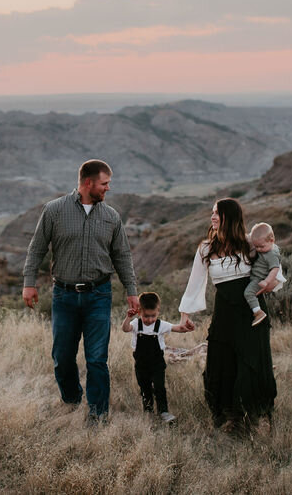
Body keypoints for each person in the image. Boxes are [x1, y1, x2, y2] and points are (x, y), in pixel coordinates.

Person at [22, 159, 139, 422]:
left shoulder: (111, 217)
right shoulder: (54, 211)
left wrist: (131, 290)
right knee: (62, 357)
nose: (108, 188)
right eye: (104, 183)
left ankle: (98, 413)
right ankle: (72, 399)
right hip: (63, 296)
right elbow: (37, 248)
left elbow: (122, 256)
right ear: (88, 183)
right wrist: (29, 282)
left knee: (97, 358)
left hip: (99, 295)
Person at [178, 198, 281, 434]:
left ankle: (248, 418)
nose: (213, 217)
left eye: (218, 213)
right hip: (224, 313)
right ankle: (227, 415)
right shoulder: (206, 248)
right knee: (220, 363)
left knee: (251, 363)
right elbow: (195, 283)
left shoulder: (249, 244)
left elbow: (273, 263)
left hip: (251, 314)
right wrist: (185, 315)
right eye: (212, 213)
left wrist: (271, 282)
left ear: (230, 218)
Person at [121, 291, 192, 424]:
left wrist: (186, 325)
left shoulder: (161, 325)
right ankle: (148, 410)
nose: (149, 319)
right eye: (146, 316)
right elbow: (125, 329)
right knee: (145, 387)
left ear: (158, 311)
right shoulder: (136, 324)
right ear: (139, 312)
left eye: (153, 316)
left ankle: (163, 411)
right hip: (141, 364)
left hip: (157, 363)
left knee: (159, 387)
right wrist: (128, 318)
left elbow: (179, 328)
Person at [244, 222, 286, 326]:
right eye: (256, 247)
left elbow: (274, 269)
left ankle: (258, 312)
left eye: (261, 247)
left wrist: (267, 281)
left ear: (272, 241)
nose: (258, 249)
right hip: (256, 277)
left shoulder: (272, 254)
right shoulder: (265, 249)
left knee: (248, 293)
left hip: (260, 279)